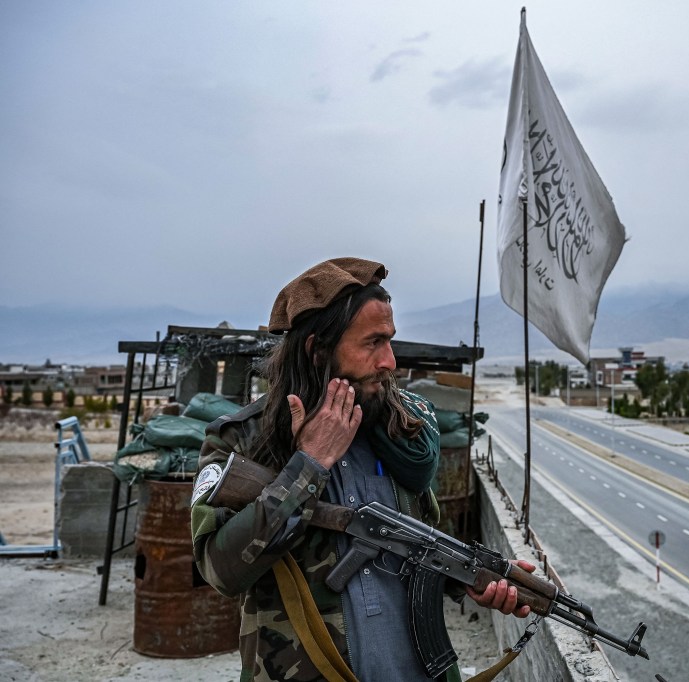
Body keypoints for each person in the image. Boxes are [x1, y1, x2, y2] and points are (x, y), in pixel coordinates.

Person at [190, 257, 534, 681]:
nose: (390, 361)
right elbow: (219, 570)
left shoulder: (398, 430)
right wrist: (308, 466)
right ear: (318, 351)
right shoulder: (240, 441)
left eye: (390, 340)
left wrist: (468, 578)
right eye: (373, 343)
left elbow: (412, 544)